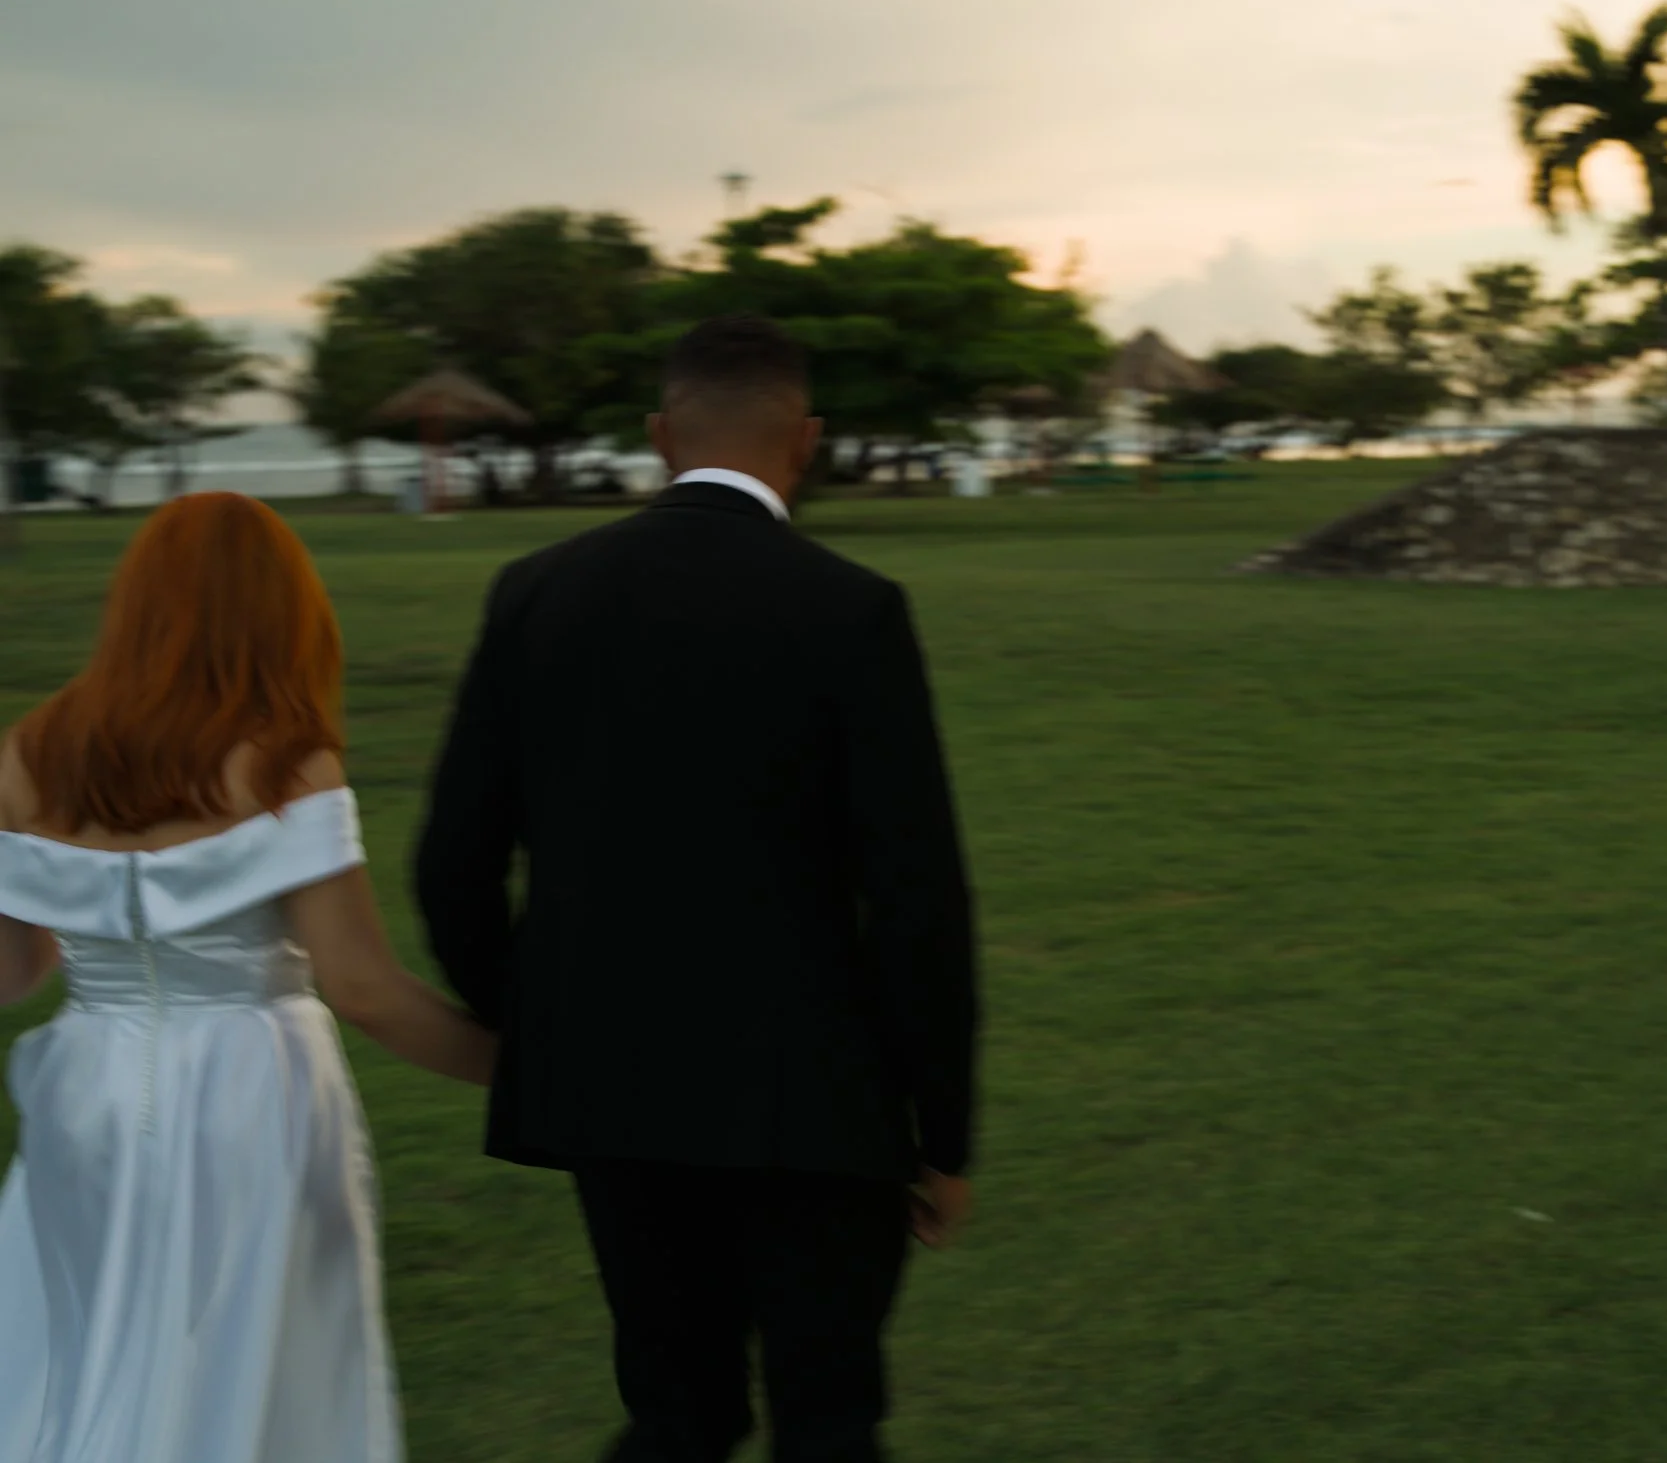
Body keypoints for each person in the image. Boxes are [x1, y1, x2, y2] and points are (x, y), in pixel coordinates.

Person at [414, 312, 981, 1463]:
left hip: (609, 1087)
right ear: (806, 440)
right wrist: (944, 1132)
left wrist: (531, 1019)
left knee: (676, 1414)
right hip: (816, 1095)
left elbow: (450, 863)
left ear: (660, 434)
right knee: (827, 1417)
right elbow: (917, 895)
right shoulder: (851, 608)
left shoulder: (536, 593)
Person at [0, 492, 498, 1463]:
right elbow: (362, 988)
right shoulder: (285, 763)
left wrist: (102, 911)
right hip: (250, 1092)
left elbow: (14, 970)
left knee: (85, 1347)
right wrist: (519, 1068)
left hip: (86, 1090)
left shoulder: (25, 753)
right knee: (248, 1364)